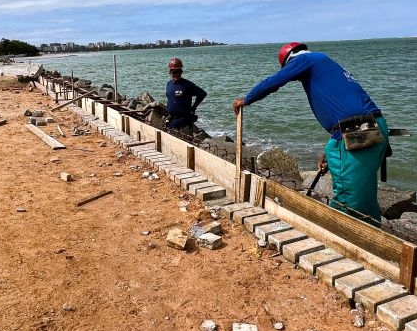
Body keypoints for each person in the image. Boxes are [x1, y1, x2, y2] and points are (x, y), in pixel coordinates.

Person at [232, 42, 389, 224]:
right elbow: (345, 112)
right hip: (375, 127)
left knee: (349, 202)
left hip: (358, 131)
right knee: (364, 196)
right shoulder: (326, 63)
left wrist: (247, 99)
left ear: (290, 59)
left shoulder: (304, 59)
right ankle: (373, 232)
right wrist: (329, 154)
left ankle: (341, 236)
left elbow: (274, 81)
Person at [165, 57, 207, 131]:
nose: (177, 74)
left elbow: (202, 93)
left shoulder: (187, 85)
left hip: (183, 120)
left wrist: (194, 107)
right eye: (174, 72)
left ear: (181, 72)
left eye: (179, 71)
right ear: (170, 73)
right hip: (171, 118)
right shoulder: (169, 84)